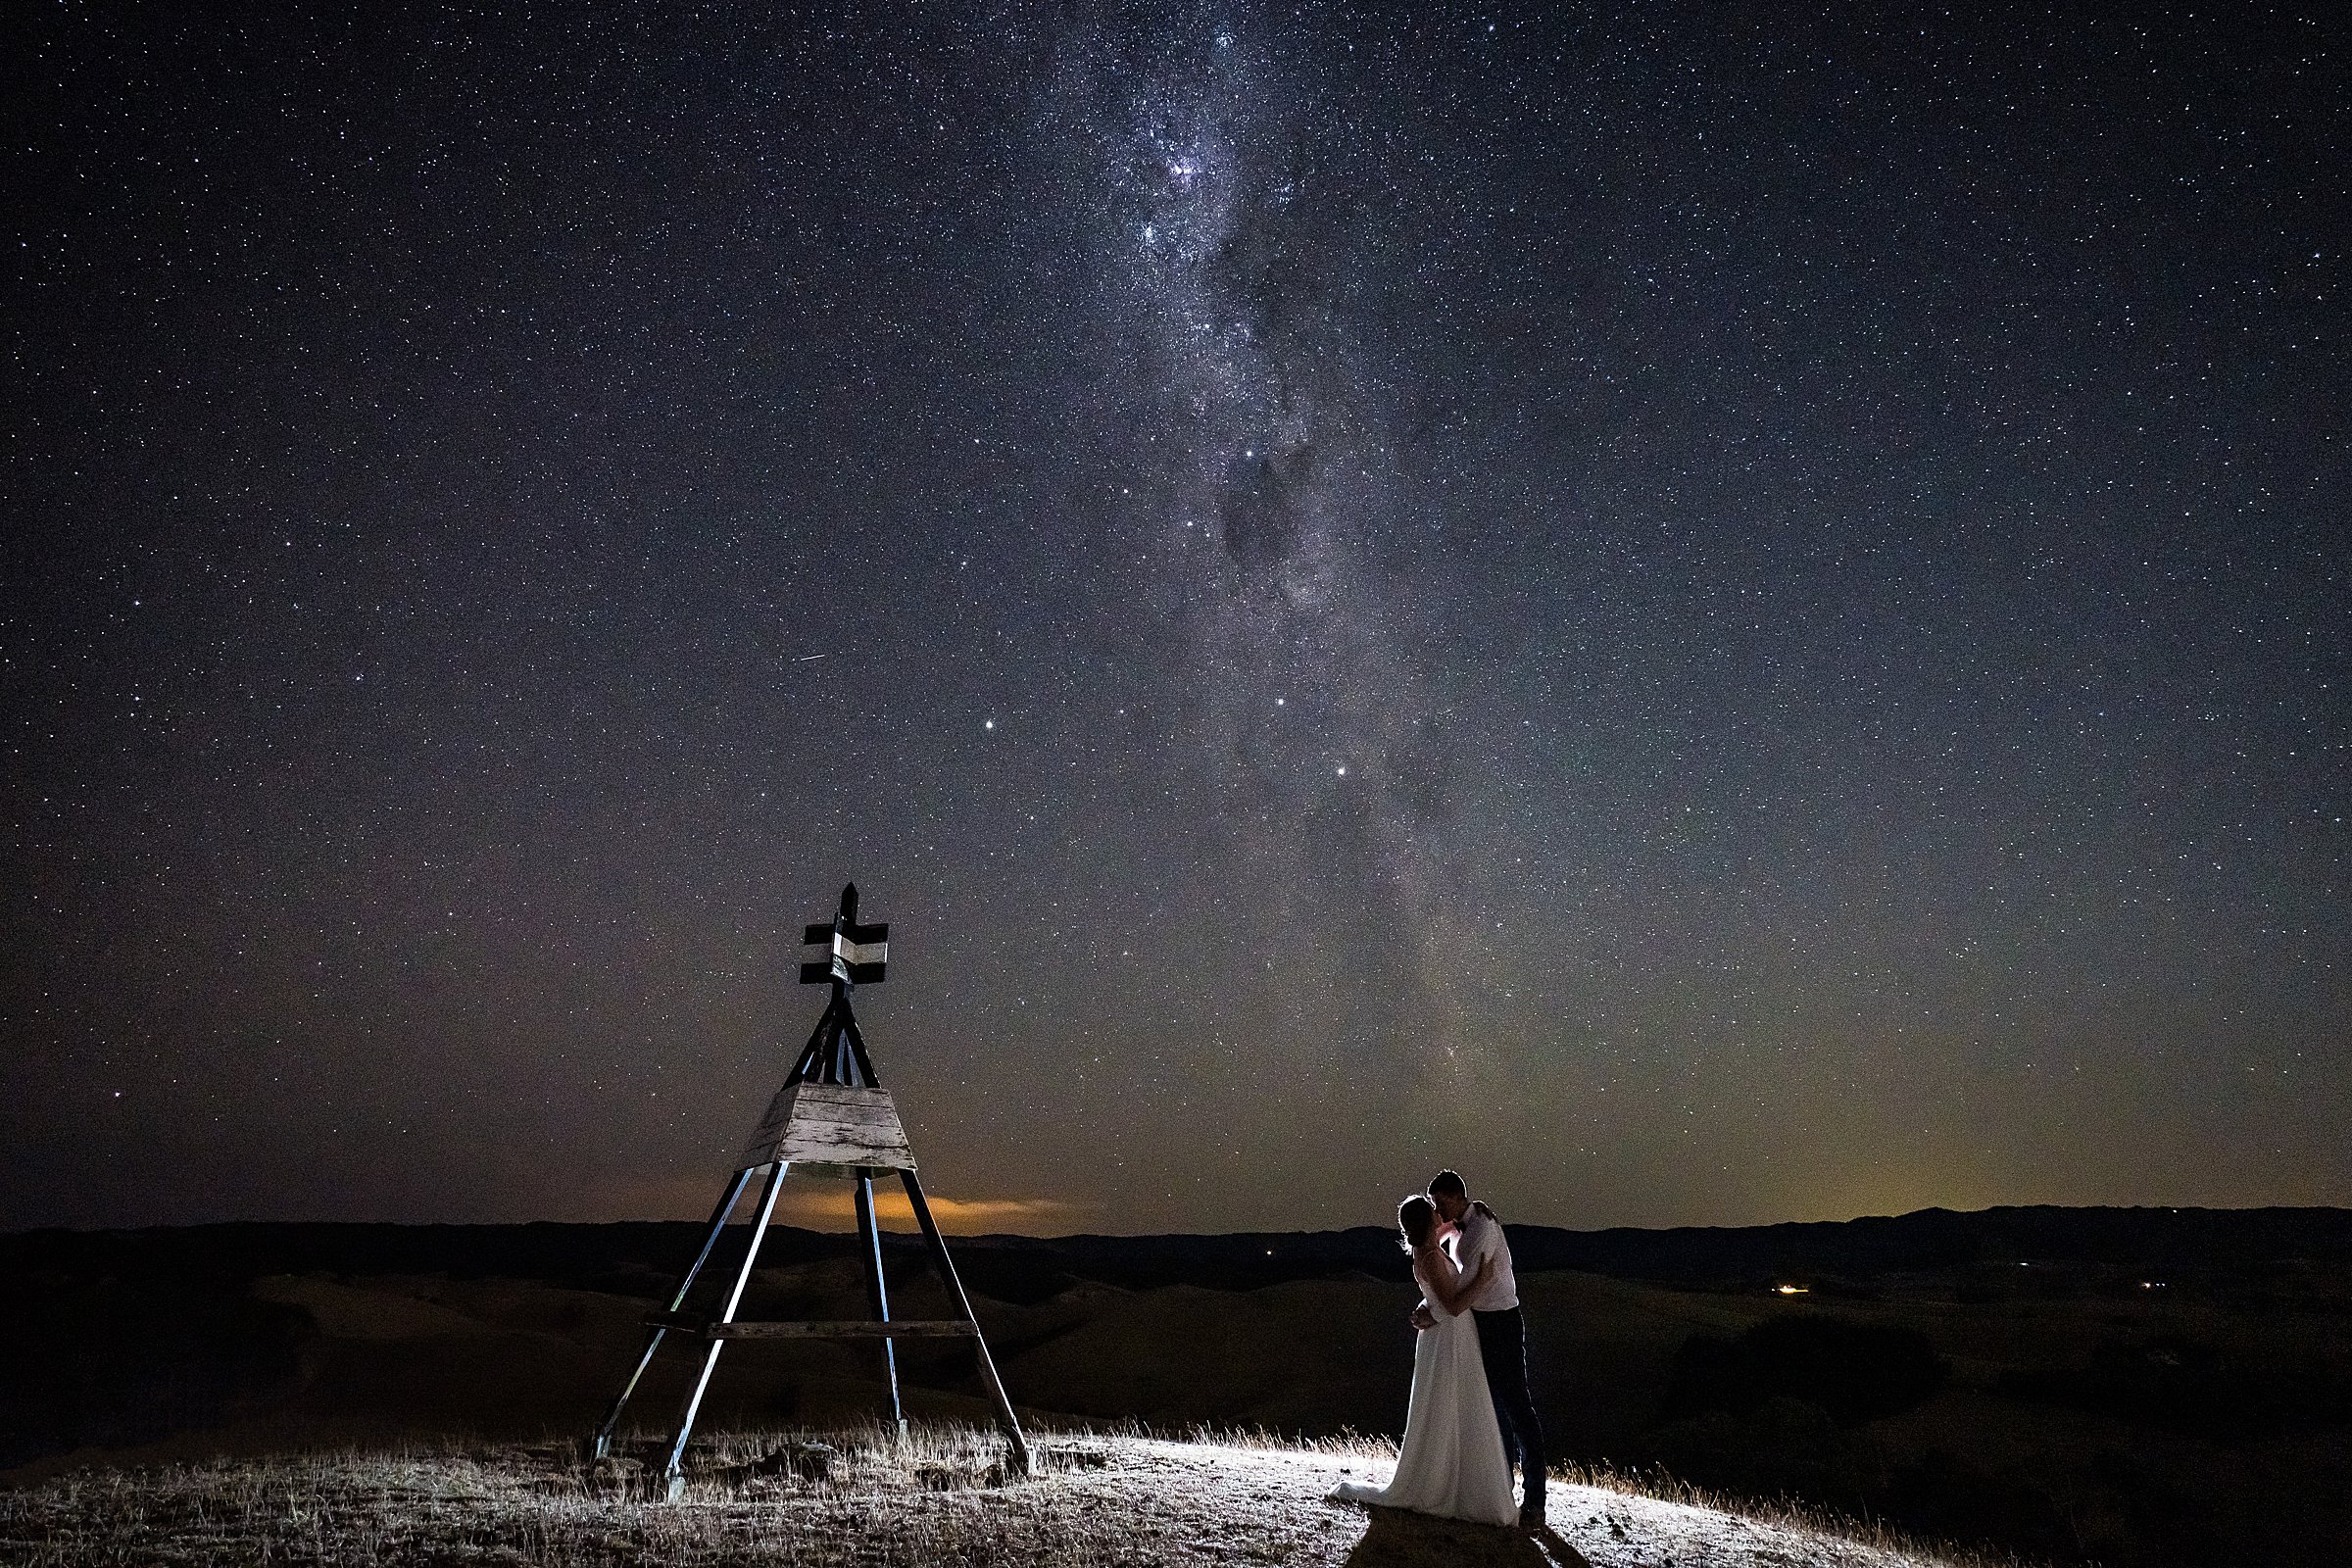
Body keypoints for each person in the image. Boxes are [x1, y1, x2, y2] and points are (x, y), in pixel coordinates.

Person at [1329, 1195, 1519, 1526]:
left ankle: (1454, 1478)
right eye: (1433, 1211)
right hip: (1450, 1339)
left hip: (1448, 1336)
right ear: (1427, 1221)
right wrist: (1483, 1280)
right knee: (1451, 1406)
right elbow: (1455, 1304)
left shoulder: (1428, 1246)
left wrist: (1475, 1210)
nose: (1438, 1212)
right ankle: (1445, 1485)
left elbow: (1449, 1230)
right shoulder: (1430, 1256)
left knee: (1454, 1406)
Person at [1415, 1169, 1546, 1529]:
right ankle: (1500, 1490)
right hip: (1480, 1324)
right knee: (1492, 1409)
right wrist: (1450, 1217)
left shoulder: (1481, 1230)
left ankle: (1535, 1500)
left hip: (1500, 1323)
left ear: (1458, 1197)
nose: (1438, 1210)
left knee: (1517, 1407)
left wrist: (1432, 1312)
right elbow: (1429, 1235)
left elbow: (1465, 1293)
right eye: (1435, 1205)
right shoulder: (1462, 1222)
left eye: (1442, 1203)